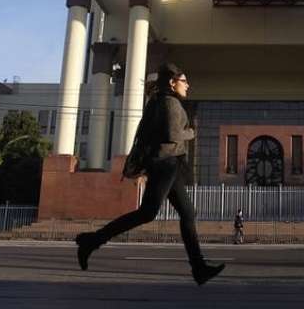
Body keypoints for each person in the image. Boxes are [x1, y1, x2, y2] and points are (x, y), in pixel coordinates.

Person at [74, 63, 225, 286]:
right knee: (147, 213)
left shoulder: (160, 101)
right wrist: (191, 132)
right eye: (184, 81)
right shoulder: (170, 103)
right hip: (165, 163)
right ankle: (92, 241)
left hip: (166, 164)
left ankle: (199, 268)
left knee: (188, 213)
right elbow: (173, 134)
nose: (188, 85)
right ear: (173, 83)